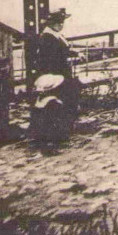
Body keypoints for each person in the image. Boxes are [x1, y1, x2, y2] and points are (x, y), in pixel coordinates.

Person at [29, 8, 81, 142]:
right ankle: (60, 129)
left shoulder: (55, 35)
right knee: (70, 92)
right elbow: (53, 58)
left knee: (72, 91)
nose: (61, 24)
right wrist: (69, 59)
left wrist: (74, 53)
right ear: (51, 24)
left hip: (58, 72)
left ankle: (64, 127)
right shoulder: (48, 38)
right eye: (58, 22)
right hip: (53, 74)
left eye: (62, 22)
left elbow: (64, 50)